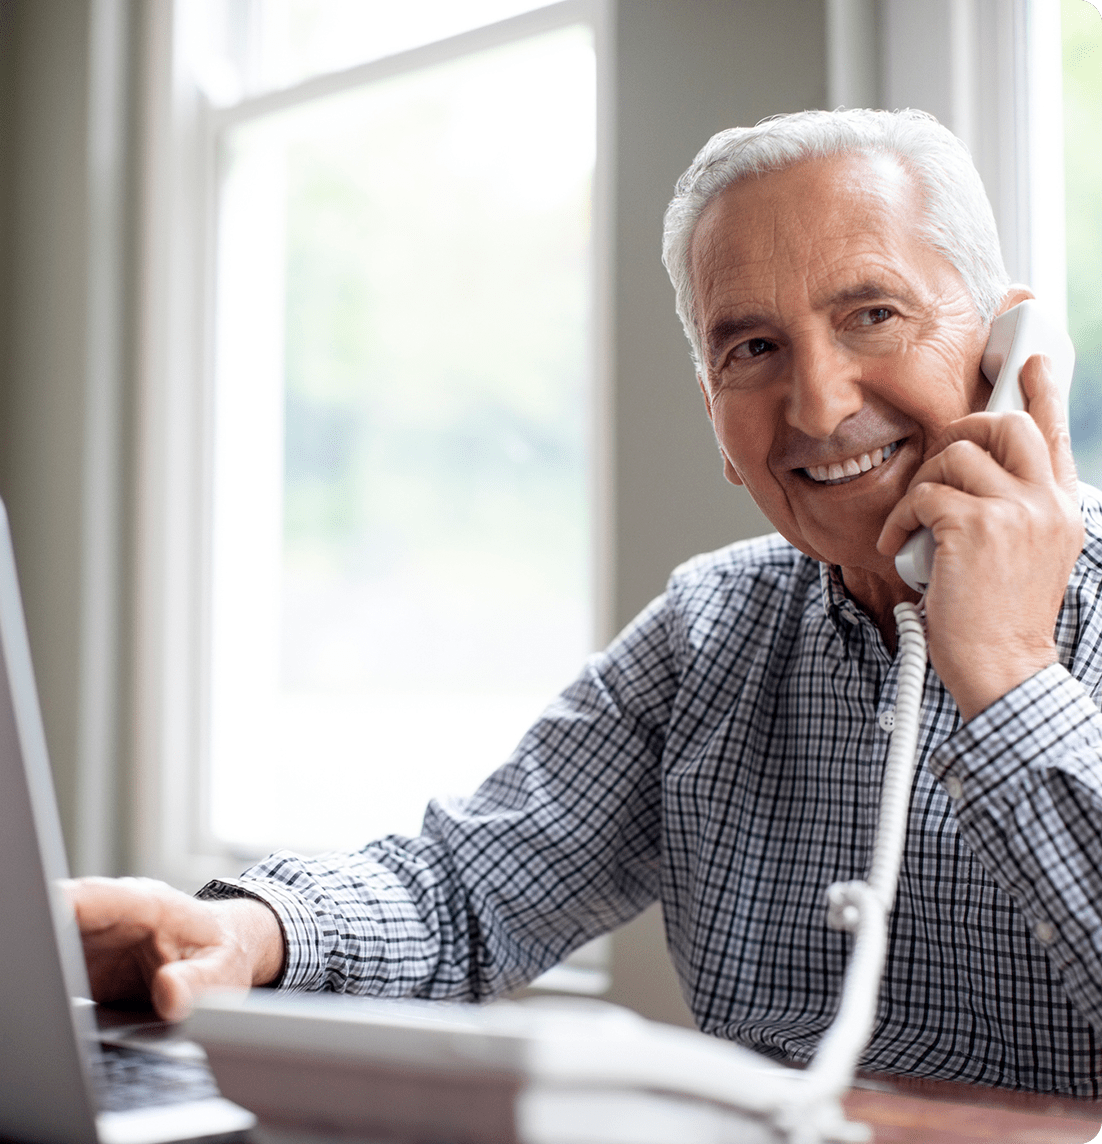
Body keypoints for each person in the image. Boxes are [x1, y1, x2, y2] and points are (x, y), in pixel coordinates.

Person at [67, 108, 1101, 1095]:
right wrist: (249, 932)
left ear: (1011, 352)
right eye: (753, 348)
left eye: (871, 314)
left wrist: (1010, 671)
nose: (819, 403)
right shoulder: (711, 629)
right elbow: (468, 894)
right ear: (714, 414)